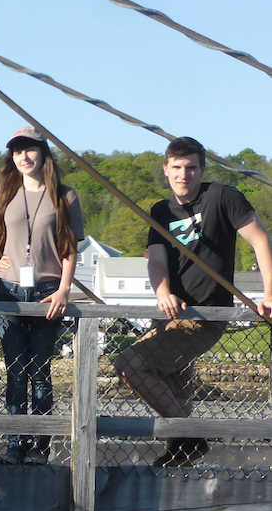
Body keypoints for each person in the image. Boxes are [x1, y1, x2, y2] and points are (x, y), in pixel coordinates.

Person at [114, 136, 272, 468]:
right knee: (173, 389)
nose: (183, 175)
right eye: (176, 168)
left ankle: (191, 436)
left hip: (205, 313)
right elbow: (156, 261)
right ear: (166, 170)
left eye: (190, 168)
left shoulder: (223, 197)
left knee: (130, 364)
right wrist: (163, 292)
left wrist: (270, 292)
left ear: (202, 170)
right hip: (169, 313)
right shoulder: (161, 210)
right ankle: (183, 448)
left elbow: (260, 240)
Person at [0, 129, 84, 464]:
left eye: (30, 150)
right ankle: (14, 445)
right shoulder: (5, 191)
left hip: (48, 291)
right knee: (15, 370)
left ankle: (39, 446)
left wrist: (65, 288)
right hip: (8, 289)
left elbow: (70, 248)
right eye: (17, 151)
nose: (24, 156)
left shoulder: (64, 196)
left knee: (40, 370)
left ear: (43, 153)